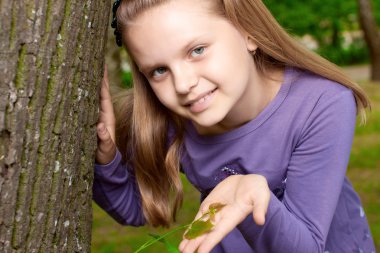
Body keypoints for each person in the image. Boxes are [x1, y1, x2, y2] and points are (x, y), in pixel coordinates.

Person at [93, 0, 376, 252]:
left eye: (197, 50)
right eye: (159, 70)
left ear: (247, 32)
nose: (182, 84)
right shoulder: (172, 119)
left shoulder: (320, 103)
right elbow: (135, 209)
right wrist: (105, 159)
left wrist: (250, 197)